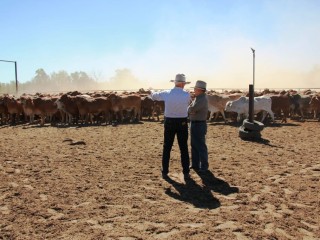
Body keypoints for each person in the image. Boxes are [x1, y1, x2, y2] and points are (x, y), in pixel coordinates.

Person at [150, 74, 191, 179]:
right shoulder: (187, 95)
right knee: (183, 147)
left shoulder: (167, 93)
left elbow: (154, 96)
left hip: (169, 122)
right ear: (182, 84)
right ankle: (186, 171)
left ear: (175, 82)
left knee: (167, 147)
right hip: (182, 122)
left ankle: (165, 171)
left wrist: (152, 91)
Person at [188, 80, 209, 171]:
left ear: (199, 90)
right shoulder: (199, 98)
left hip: (199, 124)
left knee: (200, 145)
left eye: (195, 89)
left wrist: (190, 110)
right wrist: (191, 110)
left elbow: (192, 108)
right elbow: (191, 109)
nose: (194, 90)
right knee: (194, 145)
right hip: (195, 123)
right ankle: (195, 164)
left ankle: (204, 166)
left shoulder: (202, 99)